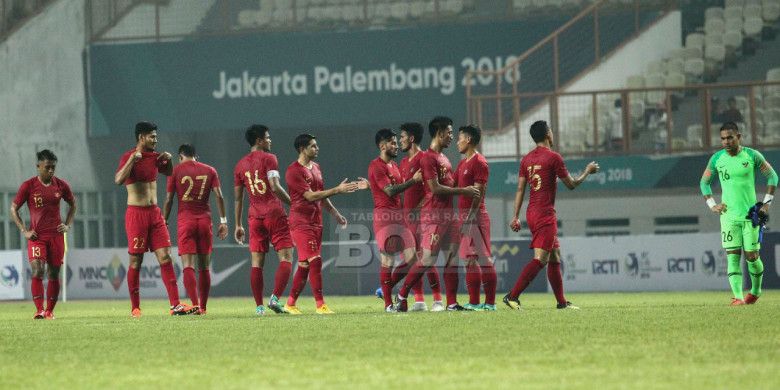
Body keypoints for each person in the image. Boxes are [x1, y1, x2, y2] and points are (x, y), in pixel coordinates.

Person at [504, 120, 599, 310]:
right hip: (545, 214)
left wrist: (515, 216)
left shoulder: (526, 159)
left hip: (532, 212)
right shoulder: (554, 158)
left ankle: (561, 302)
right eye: (552, 131)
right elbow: (571, 184)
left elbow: (520, 188)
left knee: (555, 256)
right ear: (548, 133)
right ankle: (512, 296)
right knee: (541, 259)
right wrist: (588, 172)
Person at [393, 116, 480, 312]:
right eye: (449, 132)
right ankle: (402, 294)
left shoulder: (445, 158)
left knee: (452, 259)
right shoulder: (427, 158)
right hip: (434, 216)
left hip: (449, 216)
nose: (452, 136)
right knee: (426, 259)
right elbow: (434, 188)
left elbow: (449, 184)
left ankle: (451, 303)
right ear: (439, 133)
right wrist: (464, 191)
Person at [114, 121, 197, 318]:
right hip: (136, 214)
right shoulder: (129, 156)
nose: (155, 139)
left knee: (166, 256)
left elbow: (168, 172)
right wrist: (132, 161)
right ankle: (135, 308)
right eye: (152, 136)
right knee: (136, 260)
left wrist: (167, 161)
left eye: (156, 136)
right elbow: (118, 180)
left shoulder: (154, 157)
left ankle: (175, 305)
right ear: (142, 137)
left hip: (155, 214)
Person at [284, 133, 367, 314]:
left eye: (316, 145)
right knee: (315, 261)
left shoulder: (317, 167)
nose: (317, 148)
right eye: (313, 146)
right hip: (300, 222)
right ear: (302, 149)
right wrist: (337, 189)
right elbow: (310, 196)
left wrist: (335, 213)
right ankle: (320, 305)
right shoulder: (293, 171)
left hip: (316, 221)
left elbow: (321, 194)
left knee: (305, 264)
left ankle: (290, 304)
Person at [700, 121, 776, 305]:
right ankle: (738, 298)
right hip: (728, 217)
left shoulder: (752, 155)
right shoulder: (717, 159)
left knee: (752, 257)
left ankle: (755, 291)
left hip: (751, 216)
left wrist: (766, 204)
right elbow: (704, 183)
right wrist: (712, 204)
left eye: (729, 138)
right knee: (732, 256)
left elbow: (772, 176)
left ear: (739, 137)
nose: (726, 141)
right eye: (723, 139)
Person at [233, 125, 296, 315]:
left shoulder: (240, 165)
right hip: (274, 213)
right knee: (286, 258)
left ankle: (259, 307)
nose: (270, 140)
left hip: (254, 216)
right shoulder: (270, 158)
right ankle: (275, 299)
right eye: (267, 138)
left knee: (256, 262)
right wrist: (294, 203)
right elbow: (275, 187)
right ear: (259, 140)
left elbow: (238, 198)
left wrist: (237, 224)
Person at [162, 144, 228, 315]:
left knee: (188, 265)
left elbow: (169, 199)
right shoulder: (209, 170)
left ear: (180, 156)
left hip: (186, 220)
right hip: (204, 221)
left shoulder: (175, 171)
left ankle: (195, 305)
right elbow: (219, 195)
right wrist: (223, 221)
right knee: (204, 267)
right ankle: (204, 308)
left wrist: (164, 220)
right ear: (195, 156)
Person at [10, 150, 76, 319]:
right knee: (37, 270)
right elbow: (13, 209)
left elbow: (73, 204)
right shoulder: (29, 186)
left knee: (53, 273)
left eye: (53, 167)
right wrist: (24, 231)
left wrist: (67, 225)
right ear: (38, 166)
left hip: (56, 236)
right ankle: (39, 310)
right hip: (37, 236)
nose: (51, 171)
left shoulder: (61, 185)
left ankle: (49, 311)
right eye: (47, 167)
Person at [369, 129, 423, 312]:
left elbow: (390, 185)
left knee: (413, 260)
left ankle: (391, 292)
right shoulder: (376, 165)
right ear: (382, 146)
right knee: (388, 260)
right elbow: (390, 190)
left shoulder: (394, 165)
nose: (396, 145)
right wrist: (414, 181)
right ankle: (388, 304)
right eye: (392, 142)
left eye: (395, 142)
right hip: (384, 218)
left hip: (399, 218)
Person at [397, 122, 444, 312]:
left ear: (412, 138)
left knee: (425, 258)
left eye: (402, 137)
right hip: (406, 219)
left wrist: (418, 208)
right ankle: (419, 300)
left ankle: (438, 301)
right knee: (411, 260)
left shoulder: (424, 159)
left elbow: (431, 190)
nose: (400, 141)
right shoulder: (403, 163)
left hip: (422, 218)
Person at [454, 125, 497, 311]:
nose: (457, 142)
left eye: (459, 138)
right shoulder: (462, 163)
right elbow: (451, 184)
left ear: (468, 140)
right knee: (468, 260)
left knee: (484, 259)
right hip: (465, 217)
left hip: (476, 216)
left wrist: (470, 218)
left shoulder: (479, 162)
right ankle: (473, 302)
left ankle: (490, 303)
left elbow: (479, 193)